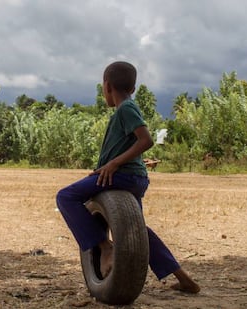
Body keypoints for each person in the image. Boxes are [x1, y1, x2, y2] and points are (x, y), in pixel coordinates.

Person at [56, 61, 200, 294]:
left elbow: (146, 140)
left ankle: (104, 247)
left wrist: (113, 163)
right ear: (132, 88)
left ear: (107, 86)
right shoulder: (126, 109)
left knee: (66, 197)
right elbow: (132, 144)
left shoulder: (126, 109)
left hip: (120, 176)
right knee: (138, 231)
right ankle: (183, 278)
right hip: (129, 175)